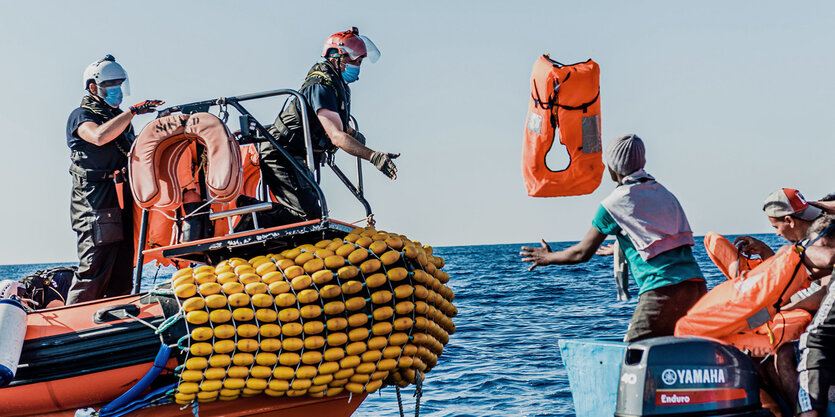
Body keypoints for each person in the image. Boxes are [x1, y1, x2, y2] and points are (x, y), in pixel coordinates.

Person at [520, 134, 706, 342]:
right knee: (678, 355)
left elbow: (582, 253)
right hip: (696, 287)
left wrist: (547, 258)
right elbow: (658, 235)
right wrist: (621, 245)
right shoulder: (664, 193)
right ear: (642, 162)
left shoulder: (613, 204)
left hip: (662, 289)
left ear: (611, 167)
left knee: (634, 357)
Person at [258, 27, 400, 224]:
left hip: (298, 155)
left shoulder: (335, 84)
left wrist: (353, 135)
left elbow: (336, 125)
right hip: (281, 152)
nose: (358, 67)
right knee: (308, 218)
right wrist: (372, 156)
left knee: (312, 214)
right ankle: (247, 219)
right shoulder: (321, 85)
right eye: (355, 61)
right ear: (337, 58)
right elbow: (335, 135)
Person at [66, 55, 162, 304]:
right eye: (111, 85)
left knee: (123, 263)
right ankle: (75, 322)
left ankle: (116, 314)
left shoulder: (121, 120)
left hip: (123, 193)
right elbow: (98, 136)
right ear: (93, 87)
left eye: (120, 84)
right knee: (96, 262)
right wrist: (132, 112)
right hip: (94, 199)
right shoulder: (81, 116)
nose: (118, 90)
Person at [733, 188, 823, 261]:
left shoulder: (820, 245)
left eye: (776, 227)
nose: (778, 233)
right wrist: (763, 250)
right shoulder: (821, 234)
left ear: (789, 221)